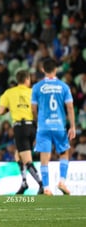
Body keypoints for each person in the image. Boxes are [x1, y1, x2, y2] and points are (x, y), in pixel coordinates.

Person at [31, 58, 76, 195]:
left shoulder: (37, 87)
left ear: (43, 70)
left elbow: (33, 109)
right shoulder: (64, 86)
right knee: (64, 153)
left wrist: (37, 122)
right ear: (56, 70)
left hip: (43, 127)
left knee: (44, 157)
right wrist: (72, 126)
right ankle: (62, 181)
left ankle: (46, 188)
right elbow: (69, 107)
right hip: (59, 126)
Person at [0, 70, 44, 194]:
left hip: (20, 127)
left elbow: (0, 111)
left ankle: (41, 184)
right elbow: (38, 108)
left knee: (26, 159)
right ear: (27, 79)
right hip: (32, 126)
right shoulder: (33, 92)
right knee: (18, 155)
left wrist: (11, 108)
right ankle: (24, 183)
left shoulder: (9, 92)